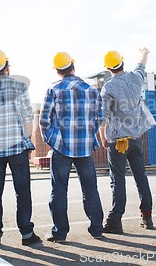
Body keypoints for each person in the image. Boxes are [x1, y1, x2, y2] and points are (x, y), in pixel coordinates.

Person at [0, 50, 42, 247]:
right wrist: (27, 140)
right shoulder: (19, 86)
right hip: (17, 149)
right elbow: (29, 119)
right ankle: (27, 234)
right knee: (22, 192)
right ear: (6, 66)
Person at [40, 52, 104, 242]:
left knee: (59, 190)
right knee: (90, 189)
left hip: (61, 148)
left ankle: (59, 233)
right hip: (84, 148)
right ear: (73, 66)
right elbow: (99, 117)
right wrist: (89, 136)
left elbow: (44, 120)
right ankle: (97, 229)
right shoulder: (91, 90)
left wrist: (51, 139)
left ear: (58, 72)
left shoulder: (54, 89)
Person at [99, 48, 156, 233]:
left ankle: (115, 220)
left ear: (108, 68)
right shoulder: (136, 78)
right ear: (122, 63)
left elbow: (103, 115)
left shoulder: (108, 87)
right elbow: (141, 65)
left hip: (118, 141)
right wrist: (144, 53)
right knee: (141, 177)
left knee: (118, 180)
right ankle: (147, 217)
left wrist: (103, 136)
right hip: (136, 138)